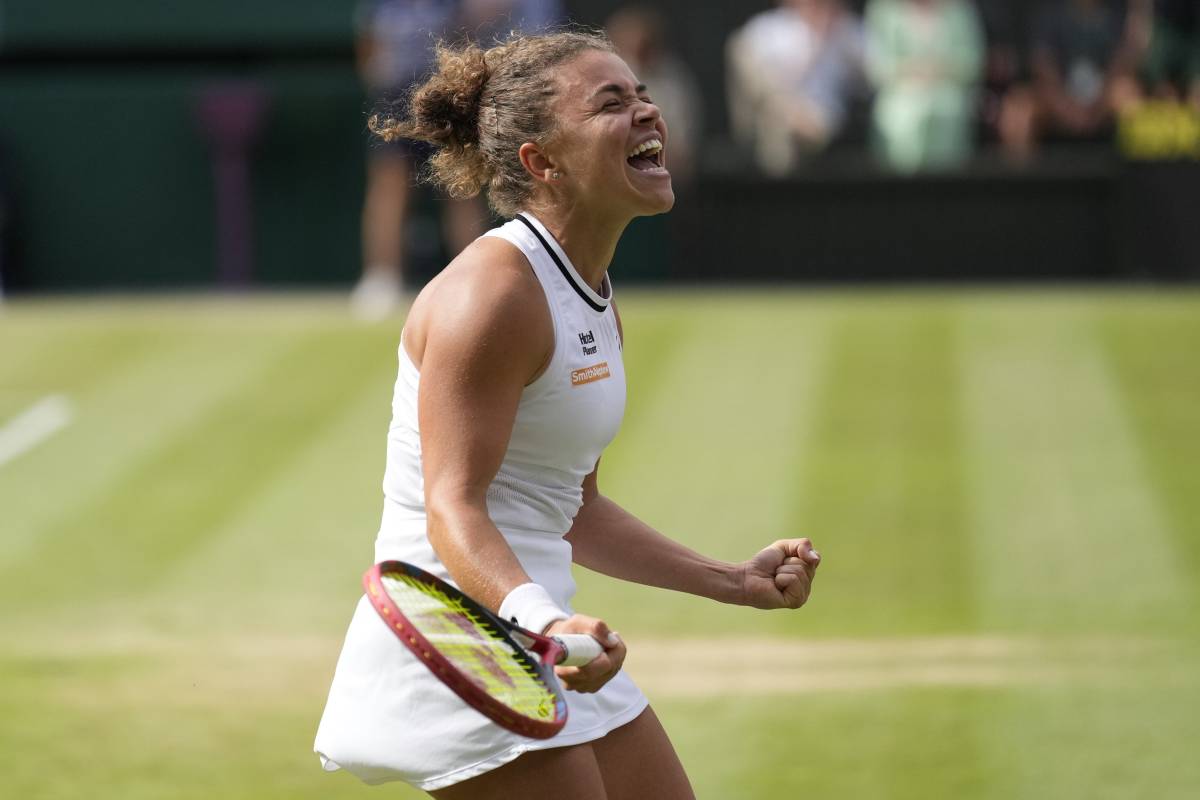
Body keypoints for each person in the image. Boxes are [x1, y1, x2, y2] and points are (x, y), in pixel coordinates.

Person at [314, 29, 822, 799]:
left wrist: (731, 581)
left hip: (539, 634)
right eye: (611, 103)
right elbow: (455, 505)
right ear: (541, 162)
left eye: (642, 93)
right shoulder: (491, 298)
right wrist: (543, 624)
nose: (648, 112)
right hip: (465, 643)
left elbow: (571, 508)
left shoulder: (590, 296)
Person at [726, 0, 868, 175]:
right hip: (776, 115)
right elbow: (755, 83)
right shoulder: (766, 30)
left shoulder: (850, 31)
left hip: (826, 119)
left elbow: (871, 76)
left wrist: (831, 33)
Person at [864, 0, 985, 172]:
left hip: (949, 94)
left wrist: (939, 71)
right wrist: (913, 71)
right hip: (898, 94)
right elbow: (876, 68)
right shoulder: (883, 9)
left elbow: (973, 64)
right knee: (901, 118)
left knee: (948, 111)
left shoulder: (960, 9)